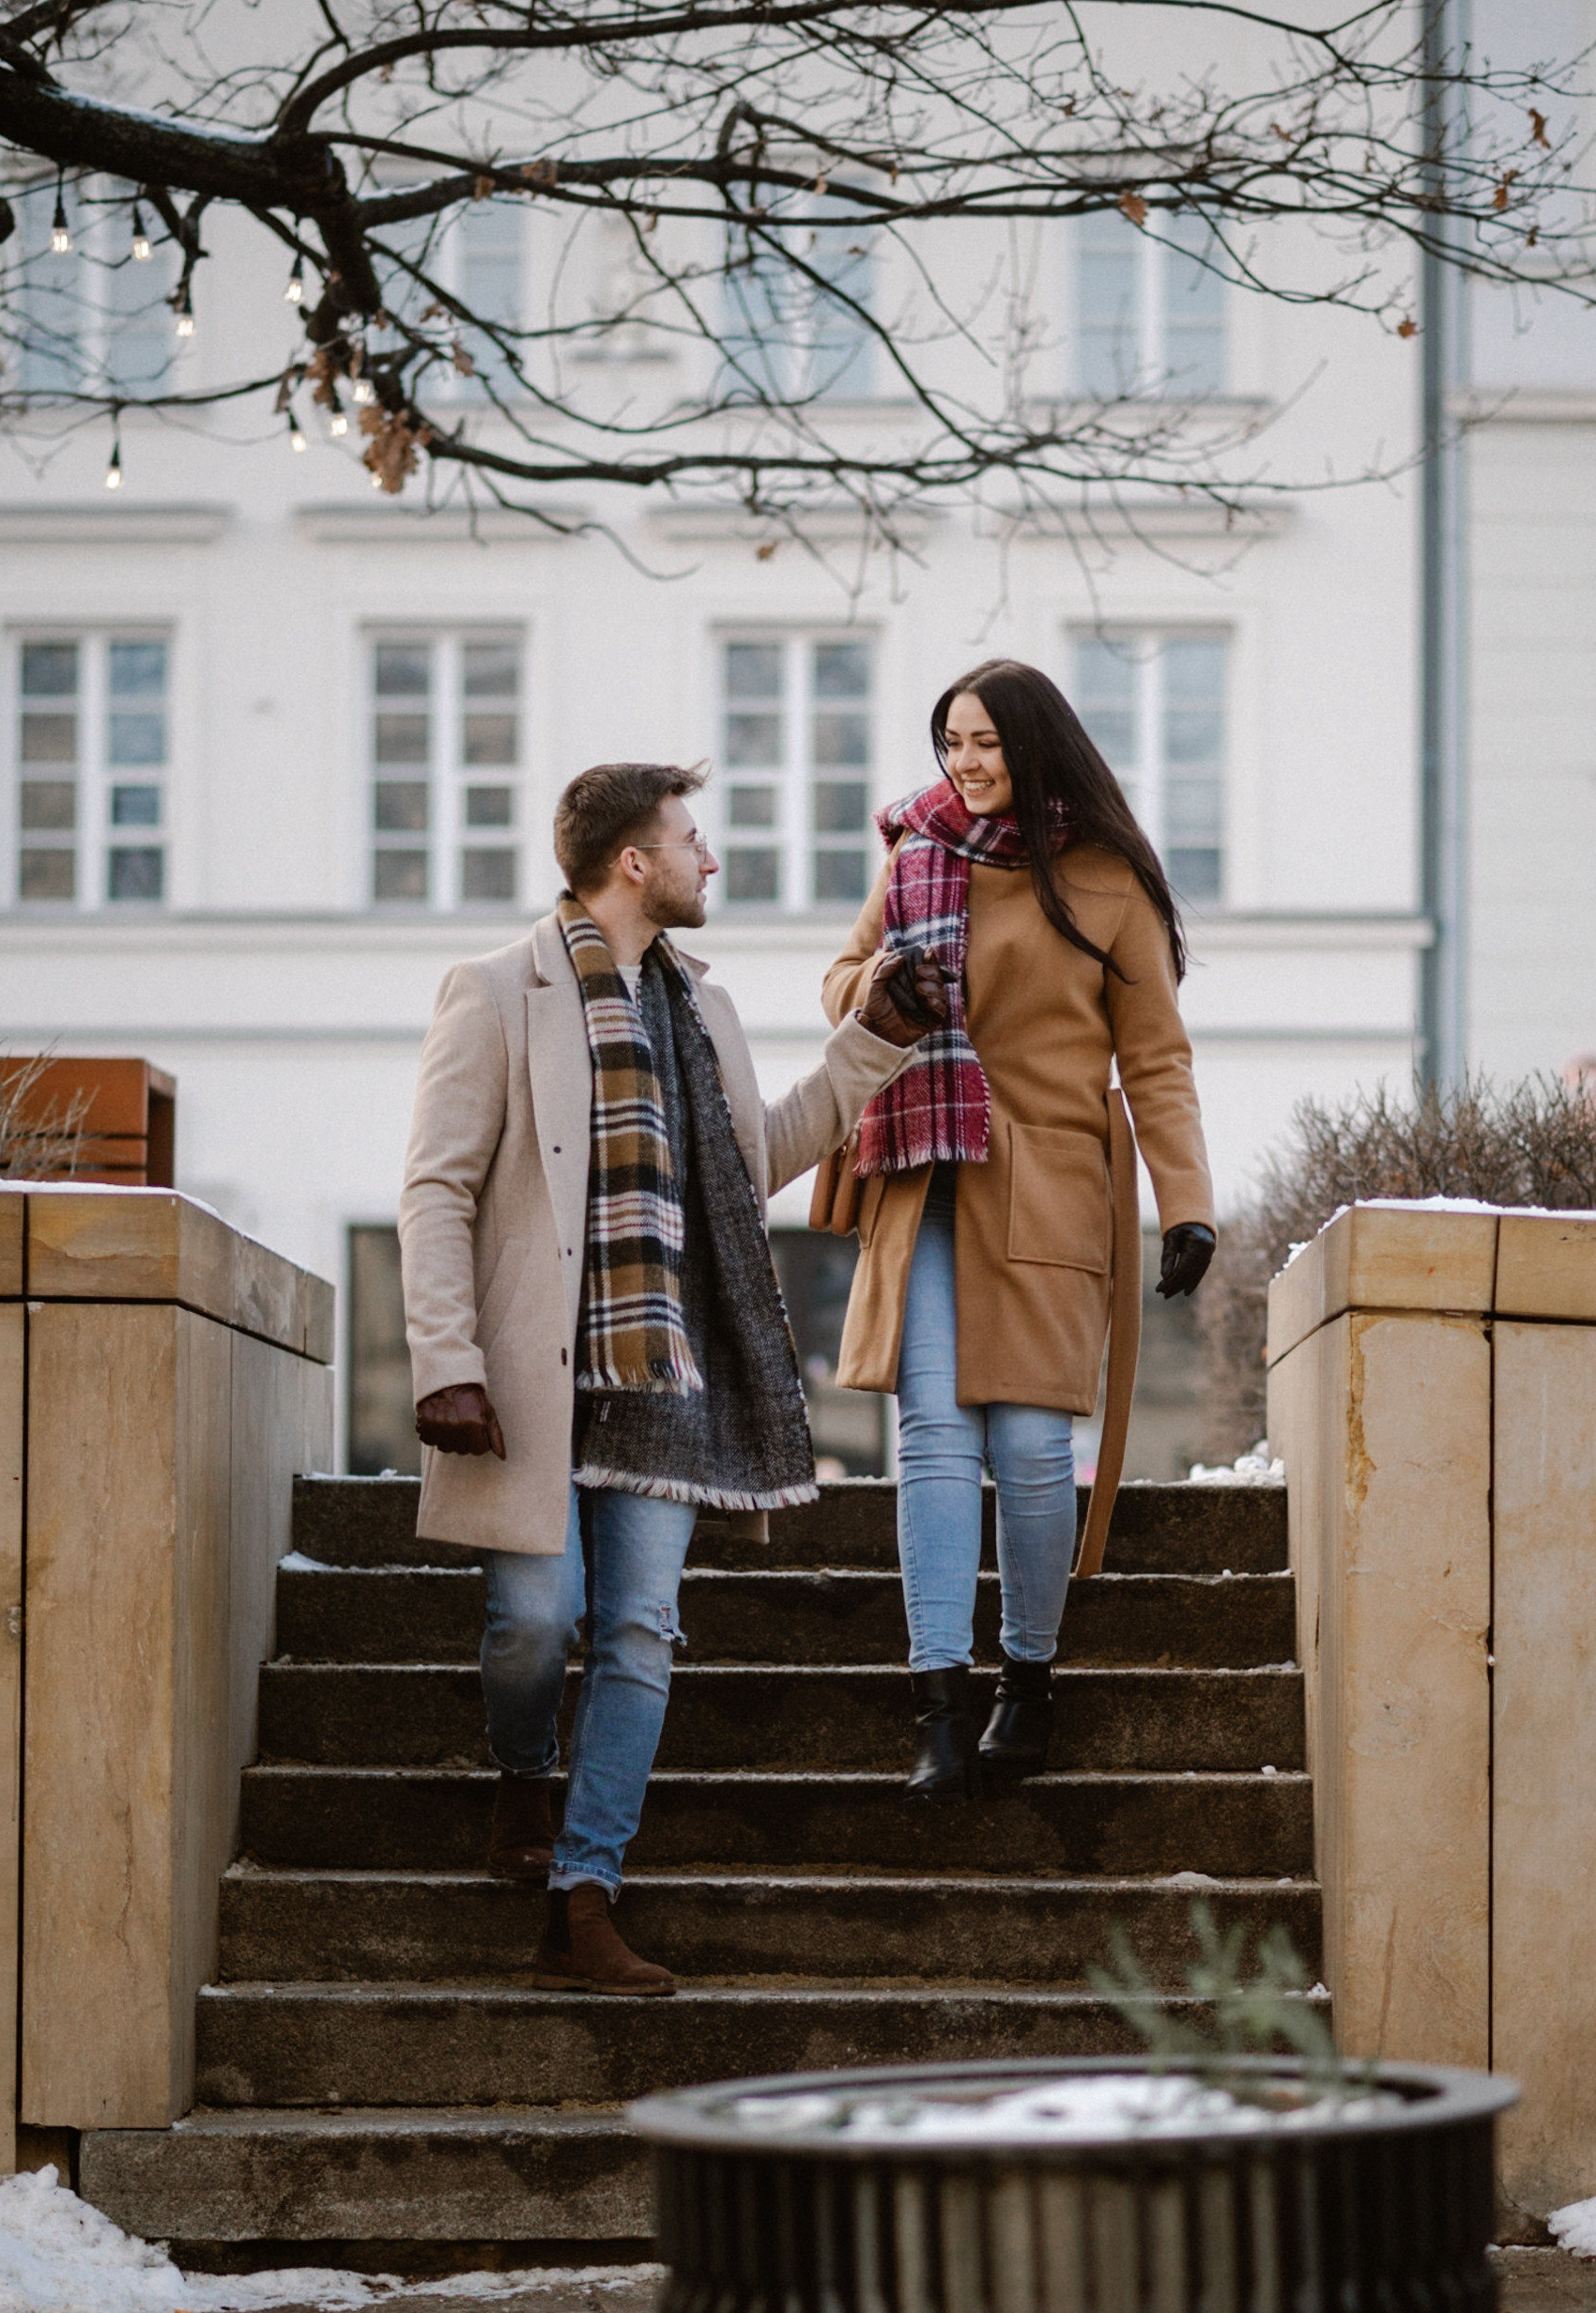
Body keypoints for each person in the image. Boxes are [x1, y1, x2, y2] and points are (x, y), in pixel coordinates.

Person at [399, 763, 944, 1994]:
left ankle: (583, 1899)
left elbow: (754, 1165)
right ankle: (523, 1772)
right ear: (634, 861)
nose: (713, 862)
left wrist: (878, 1040)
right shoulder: (496, 991)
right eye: (694, 841)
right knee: (535, 1626)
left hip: (664, 1377)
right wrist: (448, 1358)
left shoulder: (701, 1008)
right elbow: (436, 1187)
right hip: (533, 1376)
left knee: (640, 1636)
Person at [819, 660, 1217, 1799]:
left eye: (984, 740)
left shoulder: (1104, 881)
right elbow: (841, 977)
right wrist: (884, 980)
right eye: (949, 740)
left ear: (1035, 744)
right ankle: (937, 1702)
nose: (963, 762)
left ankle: (1025, 1680)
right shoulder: (913, 854)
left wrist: (1184, 1202)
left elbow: (1154, 1058)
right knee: (933, 1437)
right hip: (921, 1176)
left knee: (1035, 1453)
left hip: (1043, 1183)